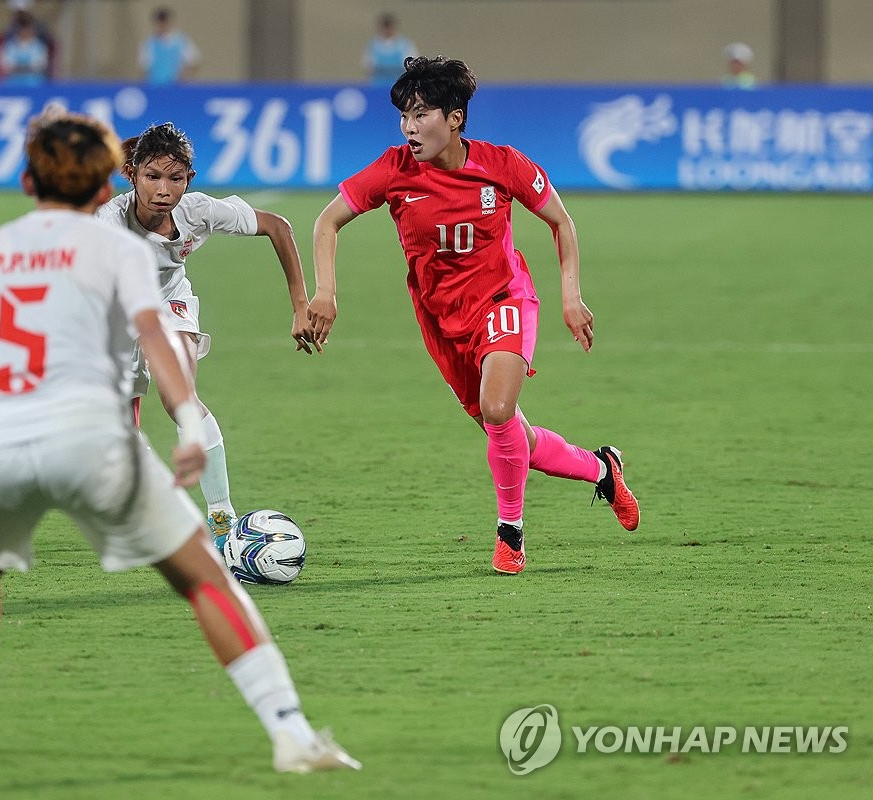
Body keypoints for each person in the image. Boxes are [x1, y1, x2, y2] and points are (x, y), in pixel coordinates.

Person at [0, 106, 358, 773]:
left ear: (28, 184)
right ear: (108, 187)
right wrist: (186, 420)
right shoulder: (110, 242)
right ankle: (290, 733)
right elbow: (150, 337)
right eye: (152, 177)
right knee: (205, 578)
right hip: (85, 433)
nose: (165, 190)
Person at [308, 56, 640, 575]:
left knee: (498, 407)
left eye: (422, 115)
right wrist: (325, 293)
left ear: (455, 118)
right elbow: (327, 221)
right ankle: (603, 469)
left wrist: (570, 297)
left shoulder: (502, 164)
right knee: (509, 434)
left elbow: (561, 222)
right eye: (404, 117)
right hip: (441, 320)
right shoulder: (394, 170)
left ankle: (511, 535)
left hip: (503, 300)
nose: (410, 128)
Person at [97, 122, 316, 548]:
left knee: (179, 396)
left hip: (169, 305)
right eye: (152, 177)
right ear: (132, 175)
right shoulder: (107, 223)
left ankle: (221, 517)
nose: (164, 189)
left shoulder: (196, 210)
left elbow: (278, 226)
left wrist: (301, 304)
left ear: (189, 180)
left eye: (174, 178)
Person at [138, 7, 200, 85]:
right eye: (160, 22)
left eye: (165, 22)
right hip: (155, 86)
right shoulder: (148, 43)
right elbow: (144, 69)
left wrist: (185, 78)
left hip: (177, 87)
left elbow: (194, 62)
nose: (163, 25)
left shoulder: (182, 40)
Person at [363, 13, 417, 86]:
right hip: (378, 86)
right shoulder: (374, 45)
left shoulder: (404, 45)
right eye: (384, 26)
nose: (387, 29)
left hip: (398, 86)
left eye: (388, 26)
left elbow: (412, 67)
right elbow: (369, 69)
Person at [0, 13, 48, 85]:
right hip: (12, 82)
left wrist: (22, 68)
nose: (25, 31)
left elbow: (39, 65)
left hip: (33, 82)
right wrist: (20, 68)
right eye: (22, 28)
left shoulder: (39, 46)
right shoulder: (9, 45)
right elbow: (5, 65)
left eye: (27, 28)